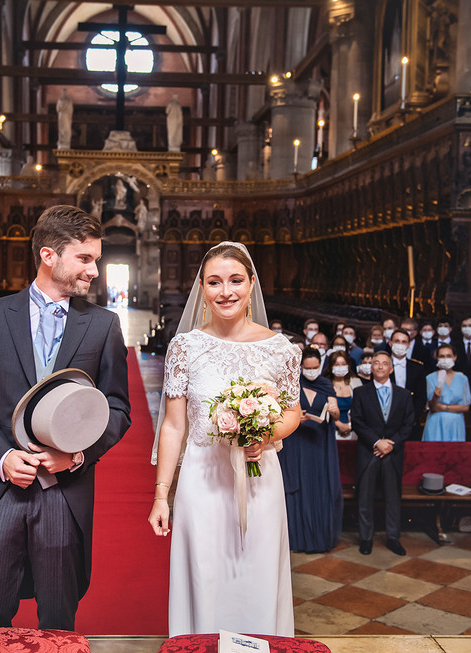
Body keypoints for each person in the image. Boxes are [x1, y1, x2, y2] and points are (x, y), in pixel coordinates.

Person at [0, 205, 131, 630]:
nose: (94, 270)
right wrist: (2, 457)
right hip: (2, 490)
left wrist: (76, 457)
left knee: (57, 621)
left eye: (97, 260)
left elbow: (118, 408)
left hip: (63, 492)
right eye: (85, 258)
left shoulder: (103, 325)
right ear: (49, 255)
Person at [148, 241, 302, 636]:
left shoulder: (280, 348)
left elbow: (292, 412)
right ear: (202, 287)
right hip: (202, 481)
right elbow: (173, 426)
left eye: (235, 280)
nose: (225, 291)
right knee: (205, 575)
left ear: (252, 284)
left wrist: (265, 434)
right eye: (214, 282)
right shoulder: (185, 347)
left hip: (258, 479)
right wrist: (161, 494)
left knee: (258, 575)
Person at [351, 351, 415, 556]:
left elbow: (408, 423)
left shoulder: (404, 394)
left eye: (384, 363)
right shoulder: (361, 392)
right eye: (375, 363)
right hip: (369, 451)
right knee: (365, 497)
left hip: (392, 453)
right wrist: (377, 442)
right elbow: (358, 421)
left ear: (391, 368)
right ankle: (366, 538)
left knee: (393, 497)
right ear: (371, 368)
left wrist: (390, 444)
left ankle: (393, 538)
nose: (379, 366)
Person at [278, 348, 342, 553]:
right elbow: (281, 414)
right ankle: (297, 540)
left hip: (319, 443)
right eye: (308, 368)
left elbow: (337, 415)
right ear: (301, 367)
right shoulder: (292, 385)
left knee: (319, 487)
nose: (312, 371)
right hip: (297, 442)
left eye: (315, 368)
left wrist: (335, 411)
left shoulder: (326, 384)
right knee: (298, 487)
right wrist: (297, 417)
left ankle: (319, 538)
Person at [422, 343, 471, 441]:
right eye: (442, 356)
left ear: (455, 357)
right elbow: (433, 408)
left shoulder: (462, 378)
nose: (445, 359)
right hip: (435, 423)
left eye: (449, 356)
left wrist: (444, 407)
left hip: (456, 424)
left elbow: (465, 407)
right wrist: (436, 397)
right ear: (437, 358)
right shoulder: (430, 378)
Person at [388, 329, 426, 415]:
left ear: (408, 345)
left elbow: (421, 396)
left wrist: (413, 416)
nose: (400, 345)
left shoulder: (417, 367)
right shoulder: (382, 365)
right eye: (397, 341)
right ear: (390, 343)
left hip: (410, 415)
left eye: (404, 342)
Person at [327, 350, 361, 440]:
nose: (340, 367)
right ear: (331, 366)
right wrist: (338, 424)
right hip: (330, 430)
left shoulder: (356, 382)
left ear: (348, 366)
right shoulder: (325, 384)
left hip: (353, 431)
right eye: (336, 364)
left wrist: (349, 425)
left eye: (343, 364)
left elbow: (361, 408)